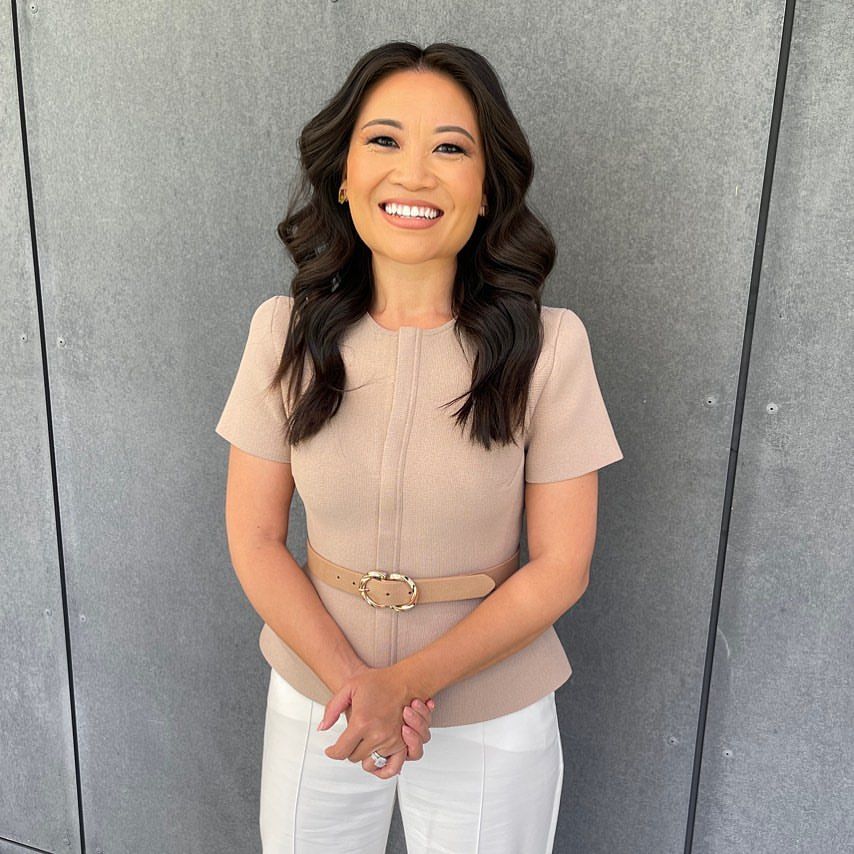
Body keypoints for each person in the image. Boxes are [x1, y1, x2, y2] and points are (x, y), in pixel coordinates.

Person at [215, 40, 624, 854]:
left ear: (487, 187)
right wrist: (353, 686)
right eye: (384, 140)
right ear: (343, 174)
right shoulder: (282, 334)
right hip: (317, 699)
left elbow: (561, 565)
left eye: (450, 149)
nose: (414, 174)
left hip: (491, 710)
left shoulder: (549, 348)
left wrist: (403, 685)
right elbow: (254, 538)